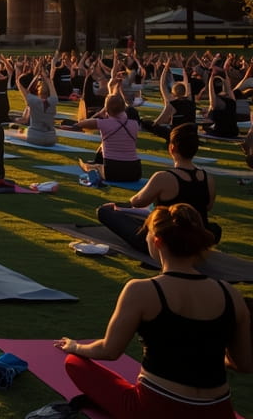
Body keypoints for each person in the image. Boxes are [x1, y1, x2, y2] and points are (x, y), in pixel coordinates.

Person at [56, 203, 253, 418]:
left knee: (74, 363)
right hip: (218, 411)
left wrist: (76, 347)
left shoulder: (141, 290)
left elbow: (109, 351)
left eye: (148, 234)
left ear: (157, 241)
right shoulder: (230, 294)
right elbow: (243, 364)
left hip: (155, 408)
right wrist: (204, 355)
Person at [97, 123, 220, 253]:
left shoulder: (163, 177)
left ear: (172, 148)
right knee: (214, 229)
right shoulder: (208, 179)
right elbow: (207, 207)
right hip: (195, 239)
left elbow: (137, 202)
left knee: (105, 211)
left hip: (164, 242)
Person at [75, 93, 143, 183]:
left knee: (91, 166)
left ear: (106, 109)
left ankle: (90, 165)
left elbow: (81, 124)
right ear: (124, 108)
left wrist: (101, 113)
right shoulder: (134, 124)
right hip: (135, 172)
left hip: (112, 171)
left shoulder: (103, 123)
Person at [16, 63, 60, 148]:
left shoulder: (33, 100)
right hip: (51, 138)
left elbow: (19, 83)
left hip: (35, 137)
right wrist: (46, 78)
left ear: (38, 90)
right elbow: (51, 84)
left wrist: (36, 76)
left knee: (17, 132)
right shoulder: (54, 100)